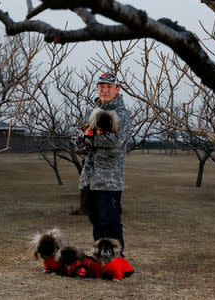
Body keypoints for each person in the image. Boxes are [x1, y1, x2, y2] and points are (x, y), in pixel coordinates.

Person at [71, 72, 131, 257]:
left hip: (109, 180)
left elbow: (115, 140)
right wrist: (83, 140)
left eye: (109, 87)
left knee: (109, 221)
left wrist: (89, 139)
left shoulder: (121, 114)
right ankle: (101, 257)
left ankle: (117, 259)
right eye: (101, 86)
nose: (104, 90)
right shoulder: (93, 112)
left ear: (117, 89)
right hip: (91, 177)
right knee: (95, 219)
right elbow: (80, 138)